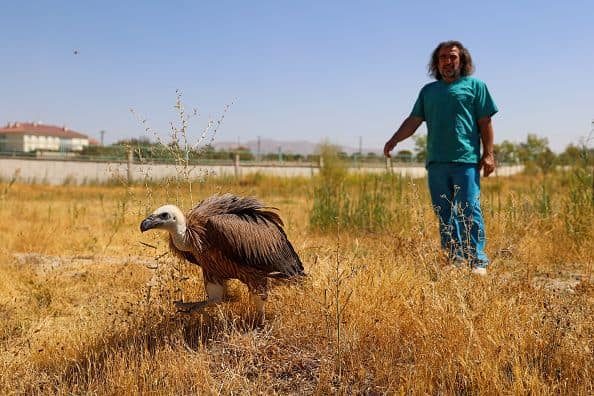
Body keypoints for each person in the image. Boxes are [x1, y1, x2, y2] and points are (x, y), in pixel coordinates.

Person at [383, 40, 498, 276]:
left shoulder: (475, 86)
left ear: (462, 60)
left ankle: (477, 260)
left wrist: (488, 154)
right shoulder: (429, 91)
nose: (448, 61)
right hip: (436, 162)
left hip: (465, 160)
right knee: (443, 211)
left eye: (453, 57)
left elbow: (485, 122)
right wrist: (394, 140)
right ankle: (454, 257)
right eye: (443, 57)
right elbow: (414, 120)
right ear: (437, 63)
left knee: (469, 209)